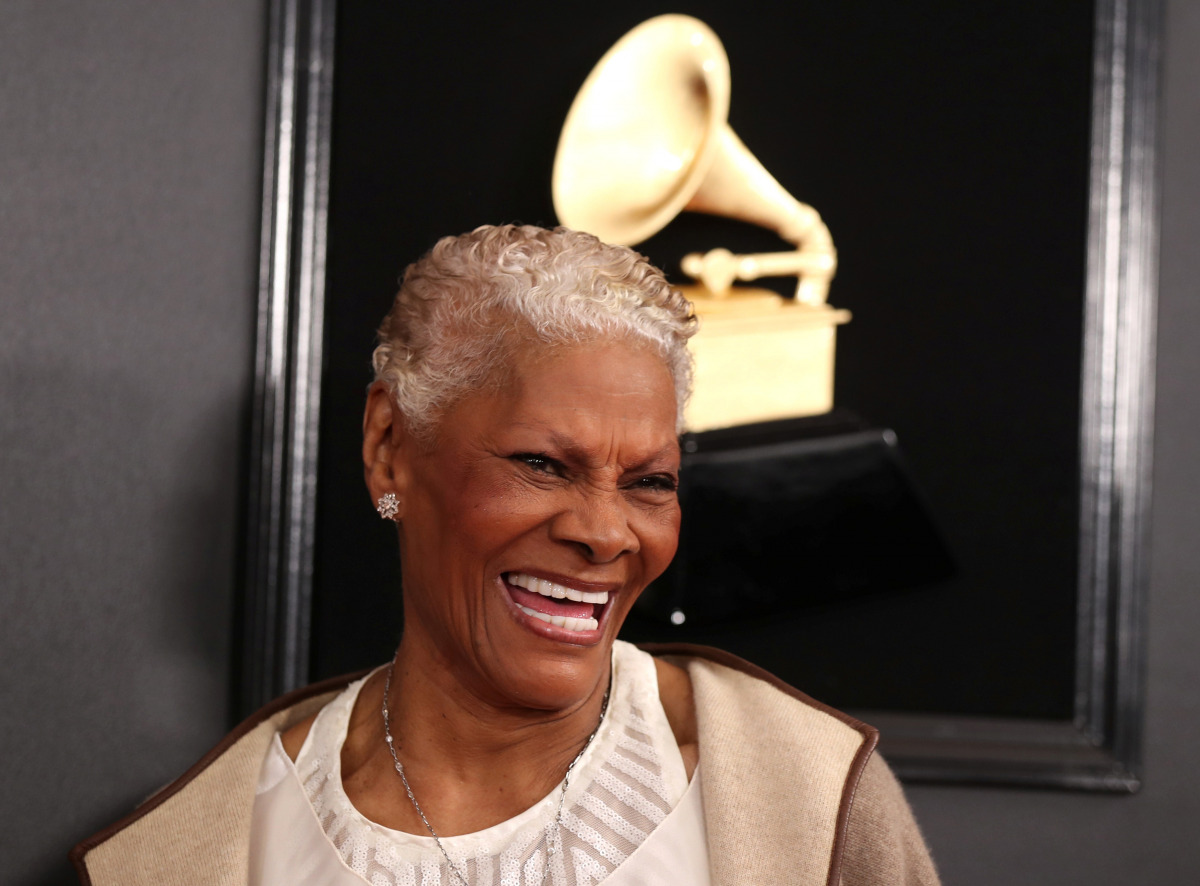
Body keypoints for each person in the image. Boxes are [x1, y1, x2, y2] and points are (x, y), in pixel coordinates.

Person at [71, 225, 939, 885]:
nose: (605, 534)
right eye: (540, 465)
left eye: (649, 483)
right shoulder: (203, 850)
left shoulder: (814, 797)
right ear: (388, 446)